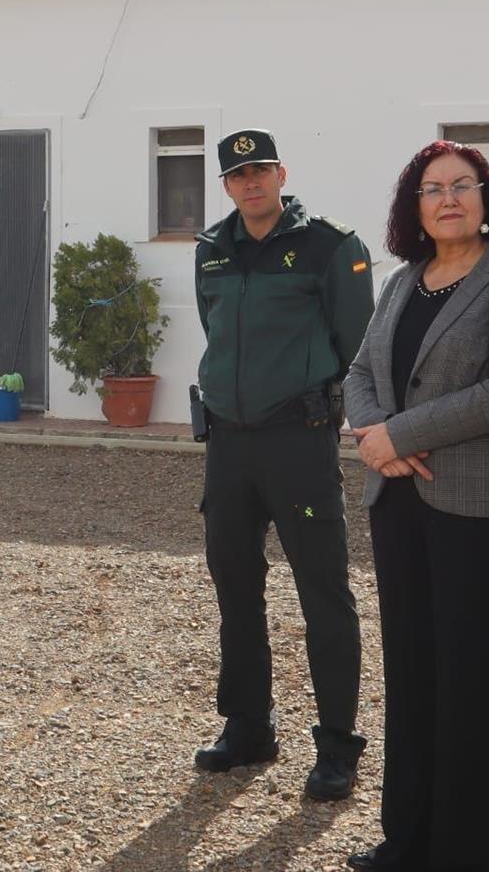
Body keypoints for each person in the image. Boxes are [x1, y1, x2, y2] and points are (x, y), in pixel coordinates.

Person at [342, 139, 489, 871]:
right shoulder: (404, 281)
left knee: (479, 683)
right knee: (412, 675)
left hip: (479, 509)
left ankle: (481, 852)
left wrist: (396, 432)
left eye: (463, 185)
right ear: (415, 208)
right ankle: (411, 840)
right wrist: (379, 440)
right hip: (398, 501)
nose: (448, 199)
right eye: (431, 190)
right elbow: (361, 370)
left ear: (488, 198)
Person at [191, 128, 374, 801]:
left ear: (281, 173)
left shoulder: (328, 245)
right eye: (239, 176)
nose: (252, 184)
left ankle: (337, 748)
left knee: (323, 593)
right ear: (227, 186)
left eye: (262, 171)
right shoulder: (212, 249)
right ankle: (248, 729)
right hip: (229, 445)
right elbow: (218, 334)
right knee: (235, 588)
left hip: (299, 439)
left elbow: (358, 345)